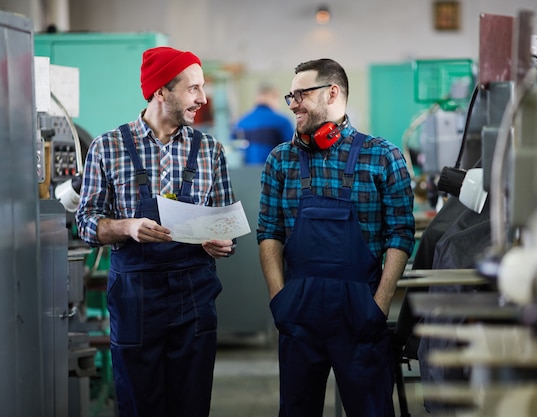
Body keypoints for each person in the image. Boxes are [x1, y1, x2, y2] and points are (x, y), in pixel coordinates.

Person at [75, 46, 237, 417]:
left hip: (195, 296)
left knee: (192, 404)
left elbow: (226, 222)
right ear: (161, 91)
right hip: (136, 300)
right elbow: (85, 223)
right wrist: (126, 227)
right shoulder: (108, 147)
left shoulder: (210, 149)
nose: (203, 98)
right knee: (138, 403)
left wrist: (223, 242)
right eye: (193, 88)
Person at [257, 58, 416, 417]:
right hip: (298, 316)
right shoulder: (280, 160)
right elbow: (269, 231)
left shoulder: (382, 156)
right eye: (290, 95)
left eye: (301, 94)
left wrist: (380, 303)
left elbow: (401, 232)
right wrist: (278, 299)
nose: (293, 103)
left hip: (361, 316)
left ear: (332, 93)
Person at [232, 82, 294, 164]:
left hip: (245, 174)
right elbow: (293, 153)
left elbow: (233, 152)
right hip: (273, 174)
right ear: (274, 96)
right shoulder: (282, 122)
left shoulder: (240, 123)